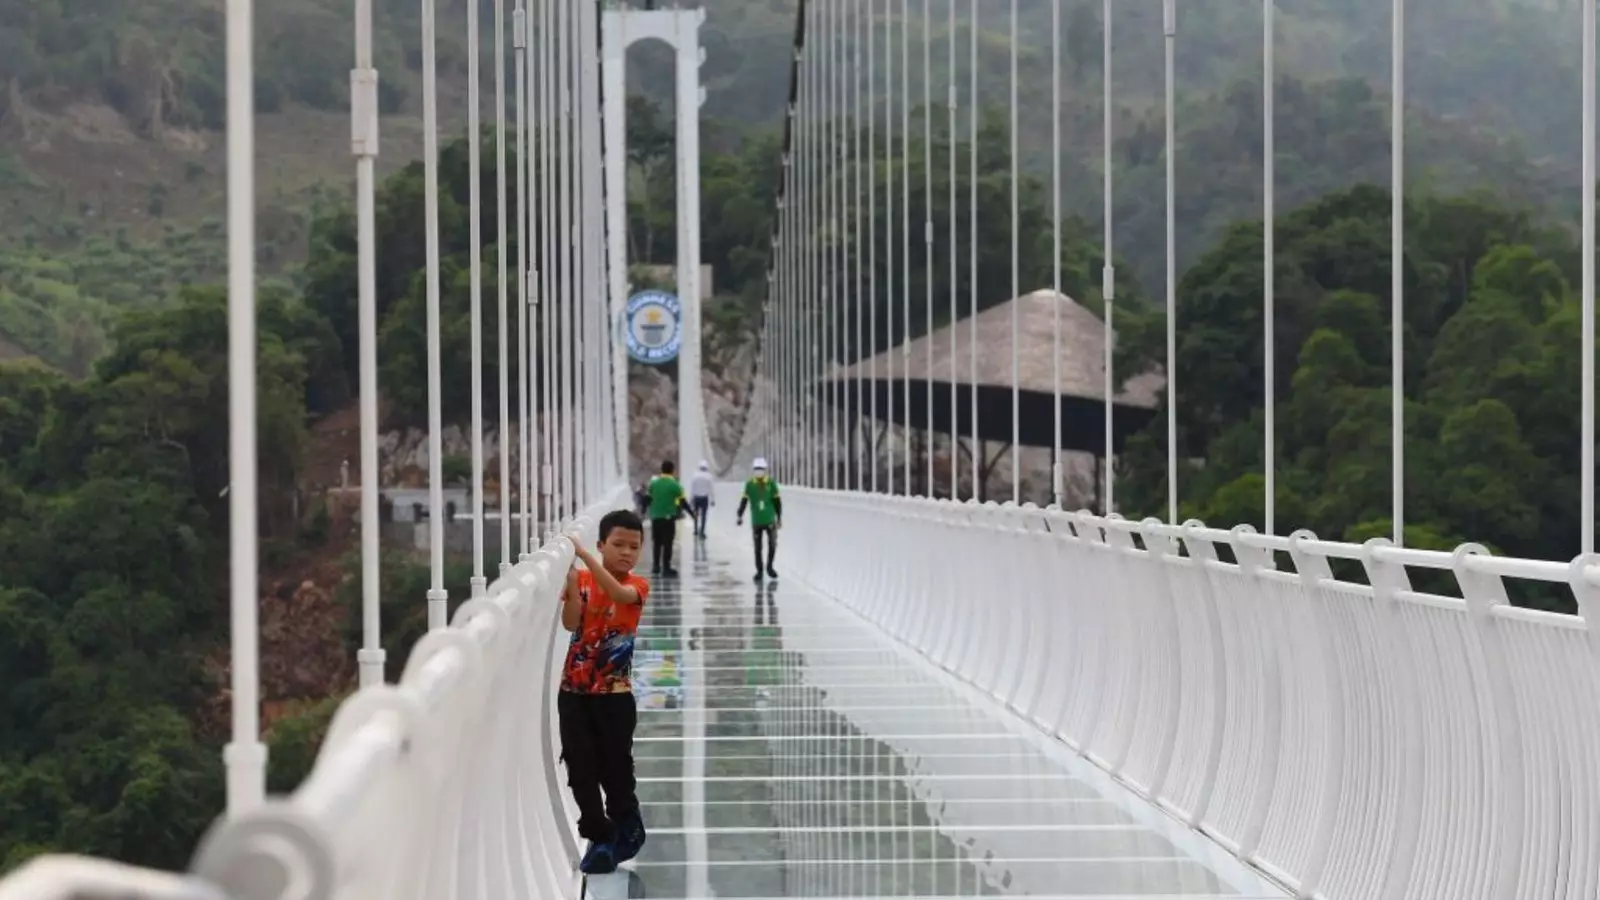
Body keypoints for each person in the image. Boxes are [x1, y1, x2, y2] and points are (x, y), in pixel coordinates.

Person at [559, 509, 651, 875]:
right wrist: (570, 588)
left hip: (615, 695)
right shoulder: (581, 580)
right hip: (574, 691)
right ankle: (599, 836)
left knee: (614, 766)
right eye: (618, 545)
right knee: (580, 766)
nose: (626, 553)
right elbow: (570, 623)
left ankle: (627, 823)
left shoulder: (638, 587)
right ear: (602, 545)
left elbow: (618, 592)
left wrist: (584, 559)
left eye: (634, 546)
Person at [736, 457, 782, 582]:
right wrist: (739, 514)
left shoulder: (771, 484)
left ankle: (770, 567)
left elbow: (777, 501)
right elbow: (744, 501)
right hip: (756, 521)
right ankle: (759, 570)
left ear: (765, 470)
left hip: (770, 520)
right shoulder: (749, 484)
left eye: (760, 469)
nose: (758, 471)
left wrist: (779, 517)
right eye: (756, 469)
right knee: (757, 548)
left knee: (772, 544)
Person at [646, 460, 694, 576]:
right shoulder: (675, 485)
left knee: (657, 542)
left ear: (661, 470)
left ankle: (656, 566)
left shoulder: (653, 484)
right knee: (668, 543)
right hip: (668, 519)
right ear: (672, 471)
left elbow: (647, 499)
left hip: (655, 517)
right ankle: (666, 568)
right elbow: (683, 502)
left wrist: (642, 511)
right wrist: (692, 514)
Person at [688, 460, 714, 537]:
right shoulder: (709, 476)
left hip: (696, 497)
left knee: (695, 514)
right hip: (704, 498)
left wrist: (690, 499)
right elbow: (711, 489)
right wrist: (712, 500)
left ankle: (695, 530)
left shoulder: (694, 476)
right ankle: (702, 531)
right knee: (704, 515)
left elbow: (692, 489)